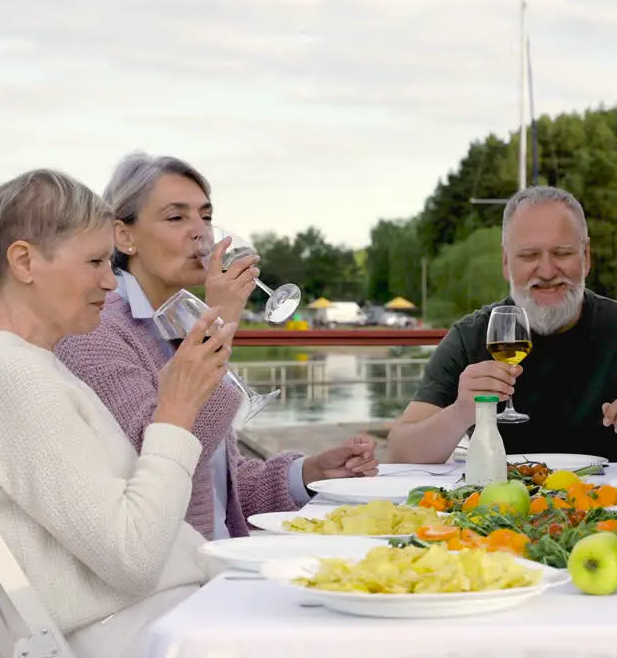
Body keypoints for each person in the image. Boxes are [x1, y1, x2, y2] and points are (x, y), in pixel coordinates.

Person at [0, 169, 230, 658]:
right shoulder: (9, 375)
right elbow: (132, 557)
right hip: (139, 636)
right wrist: (175, 414)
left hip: (152, 619)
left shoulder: (23, 366)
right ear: (25, 261)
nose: (109, 280)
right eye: (95, 261)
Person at [56, 152, 378, 541]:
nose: (200, 232)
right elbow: (163, 465)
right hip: (173, 577)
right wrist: (220, 323)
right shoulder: (96, 333)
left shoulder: (178, 325)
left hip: (218, 560)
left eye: (205, 217)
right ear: (124, 236)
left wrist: (310, 473)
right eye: (176, 218)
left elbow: (217, 482)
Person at [388, 185, 617, 465]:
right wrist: (461, 412)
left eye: (562, 253)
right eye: (529, 255)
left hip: (613, 515)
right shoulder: (471, 335)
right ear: (506, 263)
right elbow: (401, 451)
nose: (546, 271)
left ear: (586, 257)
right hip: (497, 517)